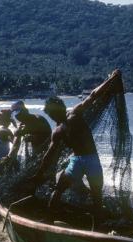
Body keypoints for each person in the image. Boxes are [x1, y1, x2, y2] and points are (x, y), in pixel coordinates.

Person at [31, 69, 123, 218]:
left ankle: (98, 226)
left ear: (59, 109)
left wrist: (111, 80)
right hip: (77, 160)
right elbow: (49, 155)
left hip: (91, 158)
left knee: (96, 195)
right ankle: (49, 218)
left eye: (51, 113)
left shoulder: (75, 113)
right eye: (49, 114)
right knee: (59, 188)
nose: (51, 116)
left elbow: (93, 96)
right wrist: (38, 174)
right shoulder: (57, 131)